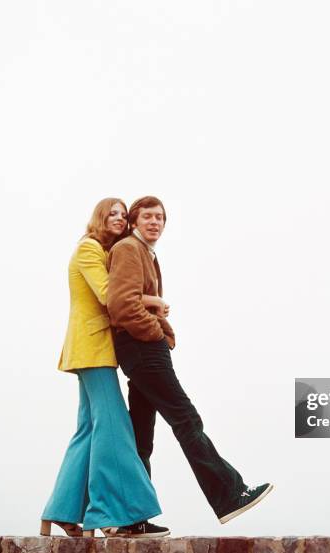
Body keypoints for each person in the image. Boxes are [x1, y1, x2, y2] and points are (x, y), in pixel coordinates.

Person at [107, 196, 273, 524]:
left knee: (141, 434)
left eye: (161, 218)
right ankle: (229, 495)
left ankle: (130, 518)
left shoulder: (146, 254)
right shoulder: (128, 249)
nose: (155, 222)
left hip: (142, 349)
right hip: (142, 348)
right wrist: (157, 333)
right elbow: (122, 305)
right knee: (186, 419)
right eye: (148, 217)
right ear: (135, 221)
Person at [40, 197, 170, 538]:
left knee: (88, 429)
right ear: (99, 217)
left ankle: (61, 510)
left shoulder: (103, 251)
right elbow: (108, 294)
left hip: (95, 349)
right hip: (92, 348)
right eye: (111, 213)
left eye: (122, 215)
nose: (118, 218)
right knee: (114, 428)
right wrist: (154, 300)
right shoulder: (88, 249)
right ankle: (106, 514)